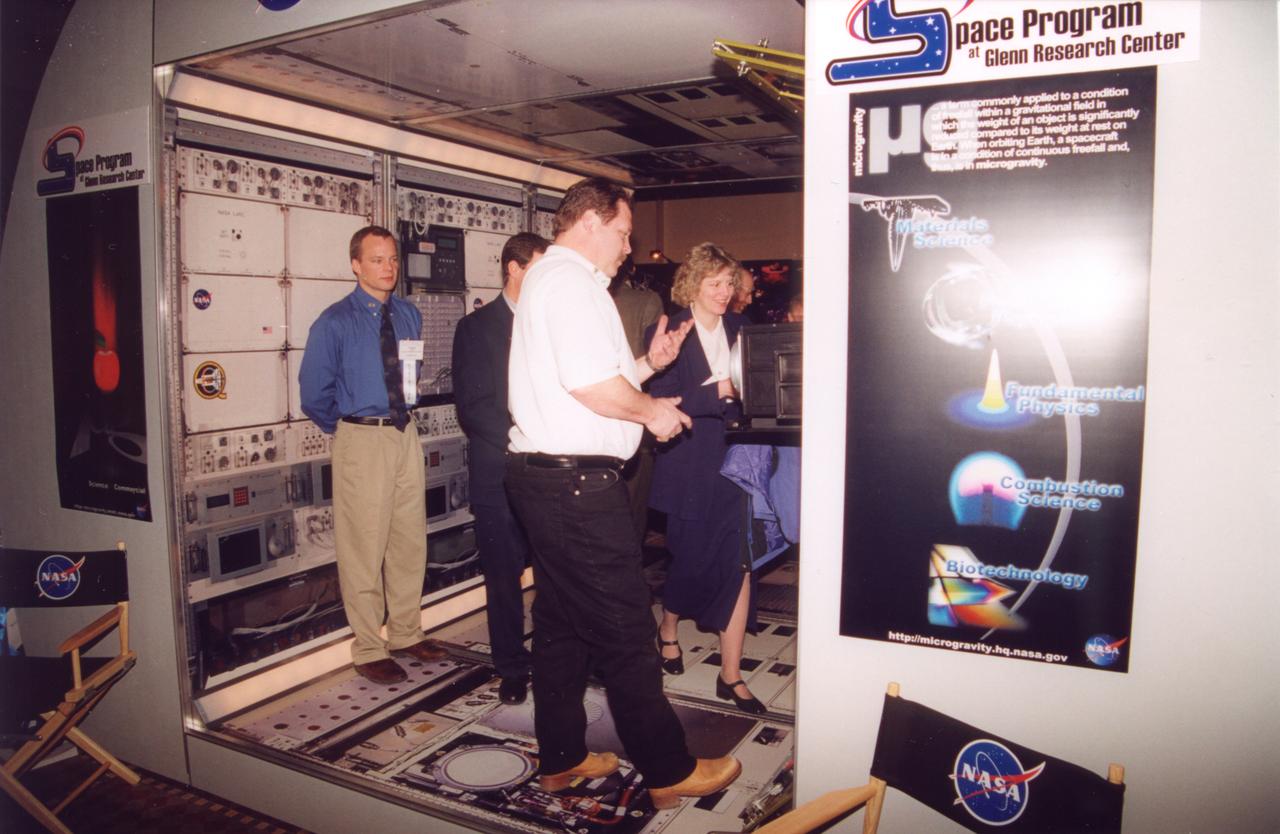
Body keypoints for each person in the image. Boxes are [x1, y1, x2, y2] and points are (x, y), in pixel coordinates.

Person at [505, 177, 741, 809]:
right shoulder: (570, 283)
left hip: (547, 478)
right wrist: (651, 411)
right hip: (575, 484)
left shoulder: (555, 281)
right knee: (626, 627)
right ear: (589, 222)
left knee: (561, 626)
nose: (628, 246)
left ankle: (561, 757)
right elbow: (590, 387)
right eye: (622, 231)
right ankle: (668, 769)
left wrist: (649, 367)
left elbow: (585, 381)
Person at [298, 225, 448, 685]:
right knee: (363, 546)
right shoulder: (334, 322)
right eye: (377, 259)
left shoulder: (408, 315)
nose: (388, 268)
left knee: (408, 540)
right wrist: (347, 429)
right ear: (356, 265)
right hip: (361, 437)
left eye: (393, 259)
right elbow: (313, 393)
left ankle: (405, 632)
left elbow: (411, 373)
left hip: (404, 432)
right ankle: (368, 646)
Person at [648, 243, 764, 715]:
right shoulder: (669, 331)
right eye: (714, 283)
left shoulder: (742, 327)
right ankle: (668, 626)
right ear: (692, 285)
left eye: (728, 282)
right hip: (689, 464)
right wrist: (718, 393)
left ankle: (730, 673)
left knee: (739, 563)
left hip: (737, 464)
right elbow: (661, 399)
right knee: (691, 562)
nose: (724, 291)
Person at [451, 231, 549, 704]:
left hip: (548, 472)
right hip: (499, 472)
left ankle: (553, 657)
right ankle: (511, 666)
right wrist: (526, 440)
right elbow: (473, 408)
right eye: (538, 269)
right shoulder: (475, 329)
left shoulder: (548, 323)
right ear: (514, 269)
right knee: (504, 577)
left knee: (553, 573)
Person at [609, 259, 665, 542]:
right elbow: (657, 366)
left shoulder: (582, 298)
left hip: (591, 431)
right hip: (635, 423)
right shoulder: (646, 301)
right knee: (631, 519)